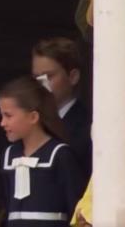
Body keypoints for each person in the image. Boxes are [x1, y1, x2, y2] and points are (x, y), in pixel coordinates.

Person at [0, 76, 85, 227]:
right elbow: (7, 207)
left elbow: (76, 208)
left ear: (33, 117)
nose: (2, 123)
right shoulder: (9, 156)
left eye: (8, 115)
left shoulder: (60, 155)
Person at [32, 37, 92, 180]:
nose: (41, 83)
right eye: (36, 77)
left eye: (49, 76)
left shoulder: (88, 127)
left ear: (73, 77)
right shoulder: (28, 123)